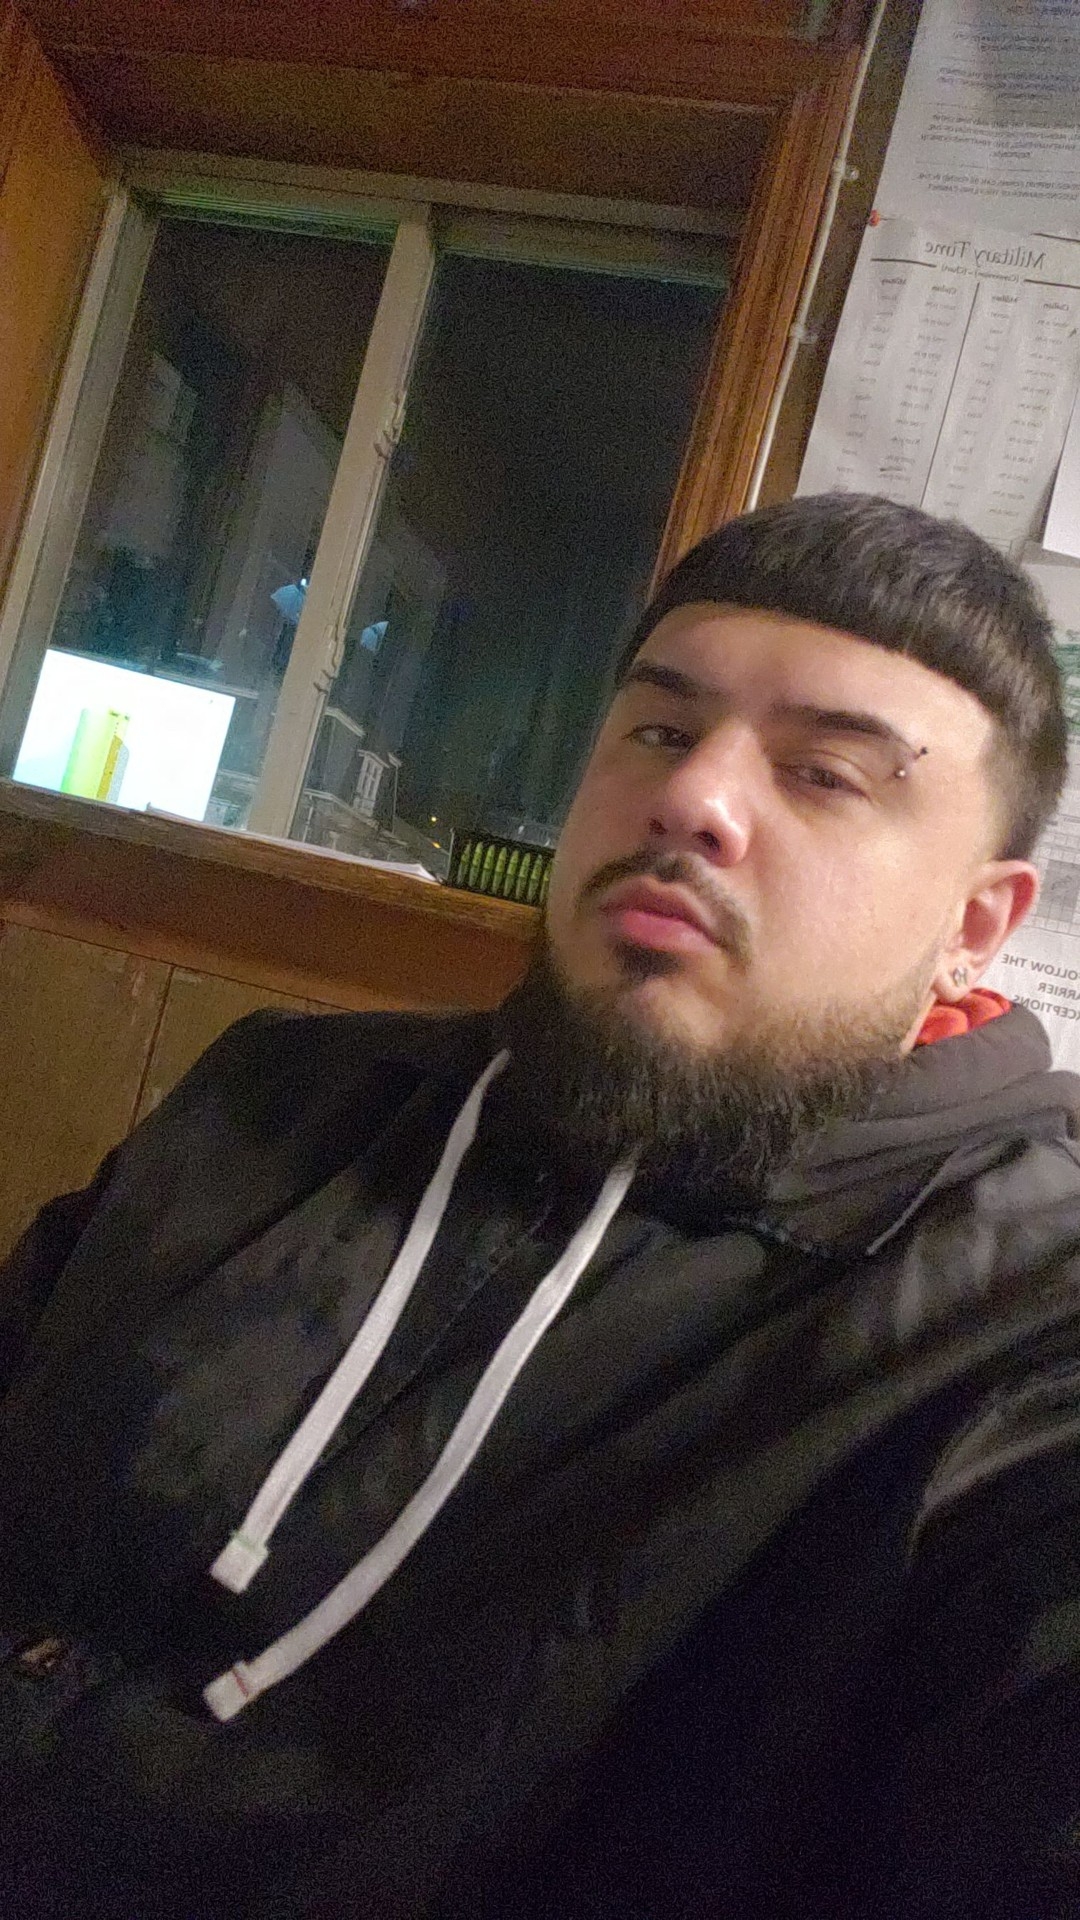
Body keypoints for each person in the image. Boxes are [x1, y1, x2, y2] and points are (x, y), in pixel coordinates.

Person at [2, 490, 1079, 1919]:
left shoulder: (1024, 1339)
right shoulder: (286, 1097)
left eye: (825, 773)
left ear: (975, 927)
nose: (693, 800)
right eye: (661, 730)